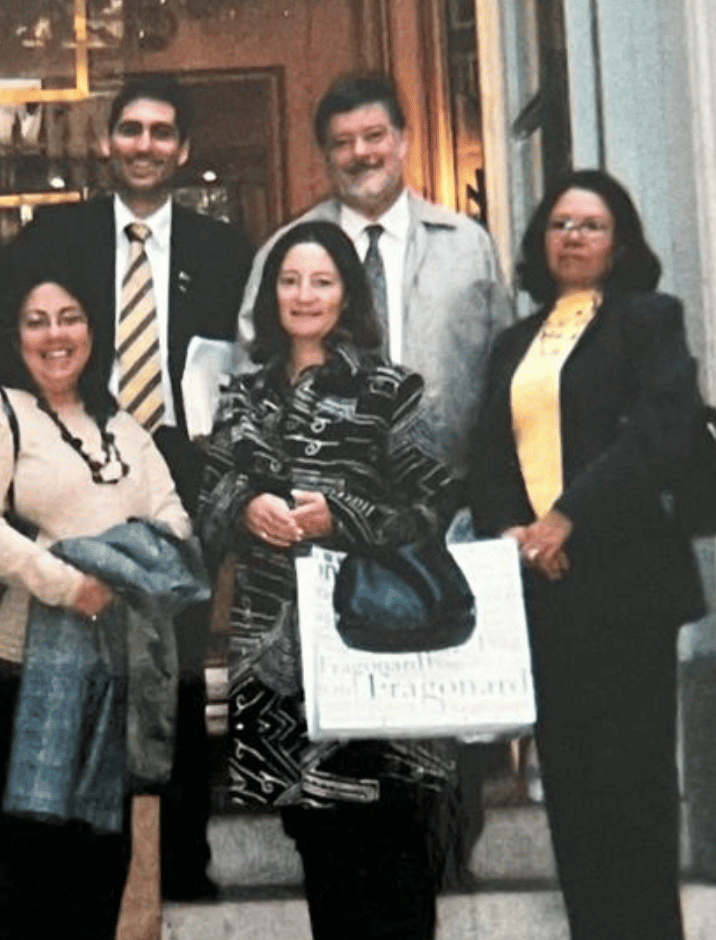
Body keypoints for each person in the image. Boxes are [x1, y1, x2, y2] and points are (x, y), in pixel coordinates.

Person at [0, 73, 254, 899]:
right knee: (81, 665)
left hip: (178, 478)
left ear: (184, 149)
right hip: (74, 466)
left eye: (162, 132)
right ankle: (84, 855)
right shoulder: (56, 234)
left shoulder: (222, 249)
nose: (144, 145)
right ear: (108, 140)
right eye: (130, 129)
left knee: (176, 666)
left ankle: (181, 858)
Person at [237, 71, 514, 886]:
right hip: (320, 524)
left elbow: (500, 378)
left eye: (374, 137)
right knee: (339, 707)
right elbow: (254, 373)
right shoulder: (286, 250)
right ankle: (348, 867)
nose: (361, 154)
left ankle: (442, 859)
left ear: (402, 139)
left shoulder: (468, 244)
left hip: (439, 514)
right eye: (343, 142)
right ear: (325, 153)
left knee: (446, 697)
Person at [199, 221, 461, 940]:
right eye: (289, 280)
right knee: (321, 854)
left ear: (347, 293)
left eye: (320, 281)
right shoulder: (243, 393)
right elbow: (208, 504)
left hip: (381, 651)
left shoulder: (390, 390)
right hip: (279, 664)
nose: (303, 295)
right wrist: (245, 507)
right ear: (270, 294)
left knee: (395, 856)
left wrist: (339, 516)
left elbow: (434, 505)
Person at [468, 169, 707, 940]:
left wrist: (568, 518)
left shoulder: (647, 320)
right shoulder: (516, 341)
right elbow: (489, 452)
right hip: (545, 578)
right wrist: (519, 532)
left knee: (631, 766)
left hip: (627, 576)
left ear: (621, 241)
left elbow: (661, 434)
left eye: (593, 225)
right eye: (561, 224)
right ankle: (588, 936)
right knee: (566, 766)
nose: (573, 237)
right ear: (541, 240)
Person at [0, 270, 203, 940]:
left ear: (95, 331)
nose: (57, 335)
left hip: (111, 674)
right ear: (11, 334)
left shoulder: (125, 430)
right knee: (11, 877)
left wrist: (108, 565)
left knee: (94, 869)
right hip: (6, 675)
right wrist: (68, 579)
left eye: (71, 317)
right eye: (37, 320)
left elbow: (175, 525)